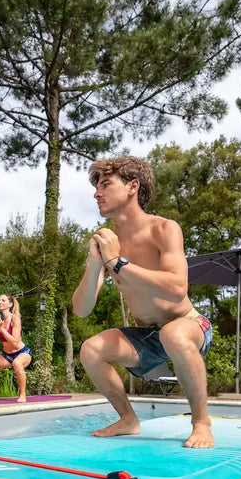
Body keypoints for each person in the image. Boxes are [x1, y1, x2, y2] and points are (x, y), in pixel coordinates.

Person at [72, 156, 214, 448]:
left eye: (106, 185)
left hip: (187, 324)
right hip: (147, 337)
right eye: (96, 187)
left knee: (172, 333)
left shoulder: (163, 229)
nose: (97, 193)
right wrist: (95, 264)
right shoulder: (106, 243)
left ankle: (201, 422)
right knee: (91, 349)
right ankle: (128, 419)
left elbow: (176, 288)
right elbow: (82, 309)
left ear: (132, 187)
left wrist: (118, 263)